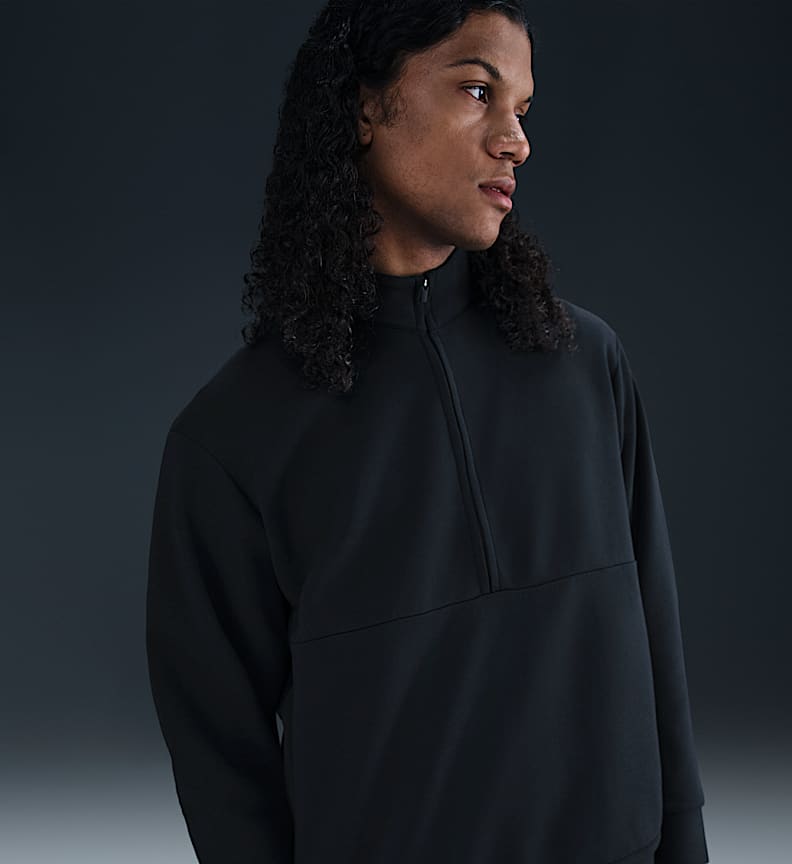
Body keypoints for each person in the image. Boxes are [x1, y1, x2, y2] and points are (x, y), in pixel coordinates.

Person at [144, 1, 710, 862]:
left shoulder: (585, 364)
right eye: (478, 92)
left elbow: (657, 651)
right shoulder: (232, 437)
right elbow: (220, 757)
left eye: (522, 108)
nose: (515, 141)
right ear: (366, 106)